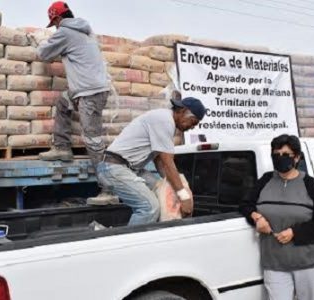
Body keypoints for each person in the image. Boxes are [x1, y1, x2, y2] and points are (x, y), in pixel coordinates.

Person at [33, 1, 118, 205]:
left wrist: (38, 41)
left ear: (58, 19)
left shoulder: (65, 32)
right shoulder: (84, 31)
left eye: (54, 23)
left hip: (90, 93)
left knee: (93, 141)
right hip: (87, 88)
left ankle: (109, 190)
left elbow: (43, 54)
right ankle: (62, 147)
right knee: (63, 102)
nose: (54, 27)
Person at [240, 134, 314, 300]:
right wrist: (256, 218)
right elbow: (246, 204)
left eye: (285, 155)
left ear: (296, 157)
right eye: (276, 155)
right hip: (275, 263)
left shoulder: (309, 184)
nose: (279, 159)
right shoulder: (266, 180)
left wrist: (294, 232)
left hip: (309, 263)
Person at [97, 97, 206, 225]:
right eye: (192, 122)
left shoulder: (165, 120)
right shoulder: (165, 120)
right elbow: (168, 163)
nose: (192, 127)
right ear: (183, 111)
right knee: (149, 208)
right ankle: (132, 243)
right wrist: (184, 196)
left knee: (161, 190)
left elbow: (159, 160)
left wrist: (170, 186)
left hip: (130, 168)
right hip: (114, 167)